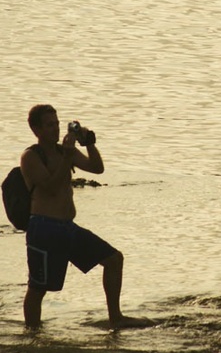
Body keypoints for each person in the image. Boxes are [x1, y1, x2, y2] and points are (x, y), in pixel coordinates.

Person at [19, 104, 151, 331]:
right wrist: (67, 157)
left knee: (113, 259)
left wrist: (89, 143)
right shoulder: (30, 156)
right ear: (36, 129)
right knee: (38, 287)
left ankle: (115, 318)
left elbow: (97, 168)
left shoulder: (63, 152)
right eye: (50, 125)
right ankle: (32, 333)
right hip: (44, 228)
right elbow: (50, 186)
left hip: (67, 227)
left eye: (57, 123)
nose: (56, 129)